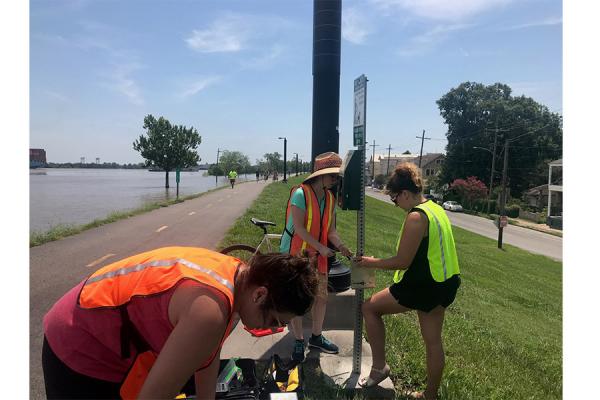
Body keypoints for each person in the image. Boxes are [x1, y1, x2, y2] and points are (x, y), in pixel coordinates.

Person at [42, 247, 318, 399]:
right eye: (273, 320)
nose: (270, 329)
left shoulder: (237, 275)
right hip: (78, 341)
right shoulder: (210, 312)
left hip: (86, 312)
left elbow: (208, 357)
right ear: (261, 295)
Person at [354, 163, 460, 399]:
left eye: (394, 198)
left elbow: (402, 261)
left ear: (404, 194)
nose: (395, 204)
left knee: (369, 308)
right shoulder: (435, 209)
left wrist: (370, 262)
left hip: (422, 286)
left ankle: (380, 368)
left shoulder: (415, 217)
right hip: (445, 282)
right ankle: (429, 395)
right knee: (433, 341)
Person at [279, 151, 353, 363]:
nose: (335, 179)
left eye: (337, 176)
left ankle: (317, 337)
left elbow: (331, 231)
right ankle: (299, 340)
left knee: (321, 297)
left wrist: (342, 246)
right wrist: (321, 248)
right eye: (332, 175)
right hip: (297, 255)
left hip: (317, 255)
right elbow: (300, 230)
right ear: (319, 174)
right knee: (297, 300)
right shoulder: (300, 194)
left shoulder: (329, 198)